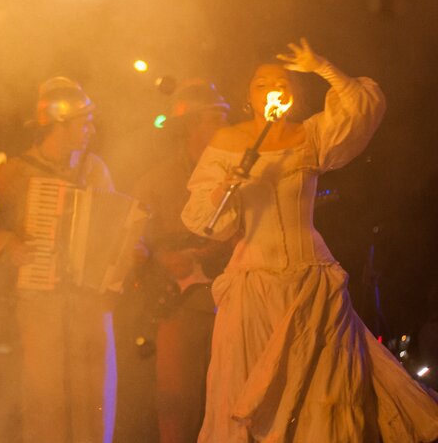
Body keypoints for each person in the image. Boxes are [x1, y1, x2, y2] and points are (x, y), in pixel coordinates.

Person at [182, 38, 438, 441]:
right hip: (253, 288)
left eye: (280, 83)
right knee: (254, 395)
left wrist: (321, 66)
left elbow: (363, 106)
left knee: (325, 390)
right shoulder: (227, 143)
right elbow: (206, 222)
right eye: (261, 84)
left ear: (292, 94)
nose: (271, 89)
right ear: (248, 96)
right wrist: (225, 188)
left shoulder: (311, 136)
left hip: (313, 283)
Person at [0, 76, 118, 443]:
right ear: (60, 124)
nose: (90, 131)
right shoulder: (16, 170)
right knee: (46, 395)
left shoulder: (94, 168)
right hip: (40, 298)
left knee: (92, 396)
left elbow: (112, 224)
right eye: (84, 123)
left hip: (88, 301)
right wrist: (7, 244)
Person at [132, 80, 231, 443]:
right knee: (177, 403)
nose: (226, 127)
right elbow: (133, 241)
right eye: (216, 118)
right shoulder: (155, 182)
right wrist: (162, 258)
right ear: (192, 125)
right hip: (179, 307)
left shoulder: (239, 175)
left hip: (231, 300)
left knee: (231, 401)